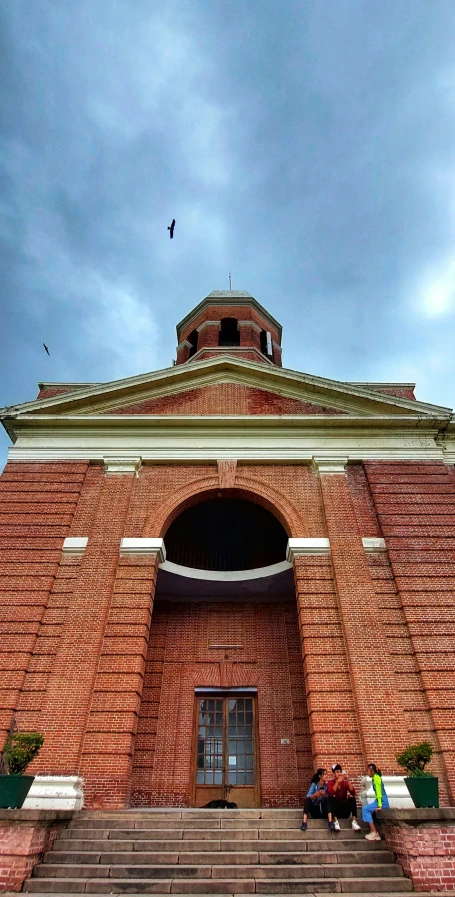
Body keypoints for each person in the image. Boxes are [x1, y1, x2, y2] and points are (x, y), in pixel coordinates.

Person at [327, 763, 361, 831]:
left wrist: (347, 780)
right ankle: (336, 822)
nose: (339, 774)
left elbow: (353, 792)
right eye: (337, 772)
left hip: (345, 810)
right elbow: (331, 793)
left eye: (340, 772)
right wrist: (337, 782)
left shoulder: (345, 783)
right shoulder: (330, 782)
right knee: (330, 799)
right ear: (333, 774)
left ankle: (354, 822)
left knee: (352, 799)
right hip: (336, 811)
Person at [361, 763, 389, 840]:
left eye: (367, 771)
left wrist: (380, 806)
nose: (367, 773)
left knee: (365, 809)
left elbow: (379, 793)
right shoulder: (376, 777)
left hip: (382, 801)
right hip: (379, 800)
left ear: (372, 771)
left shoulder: (376, 778)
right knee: (368, 809)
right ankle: (373, 831)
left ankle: (374, 832)